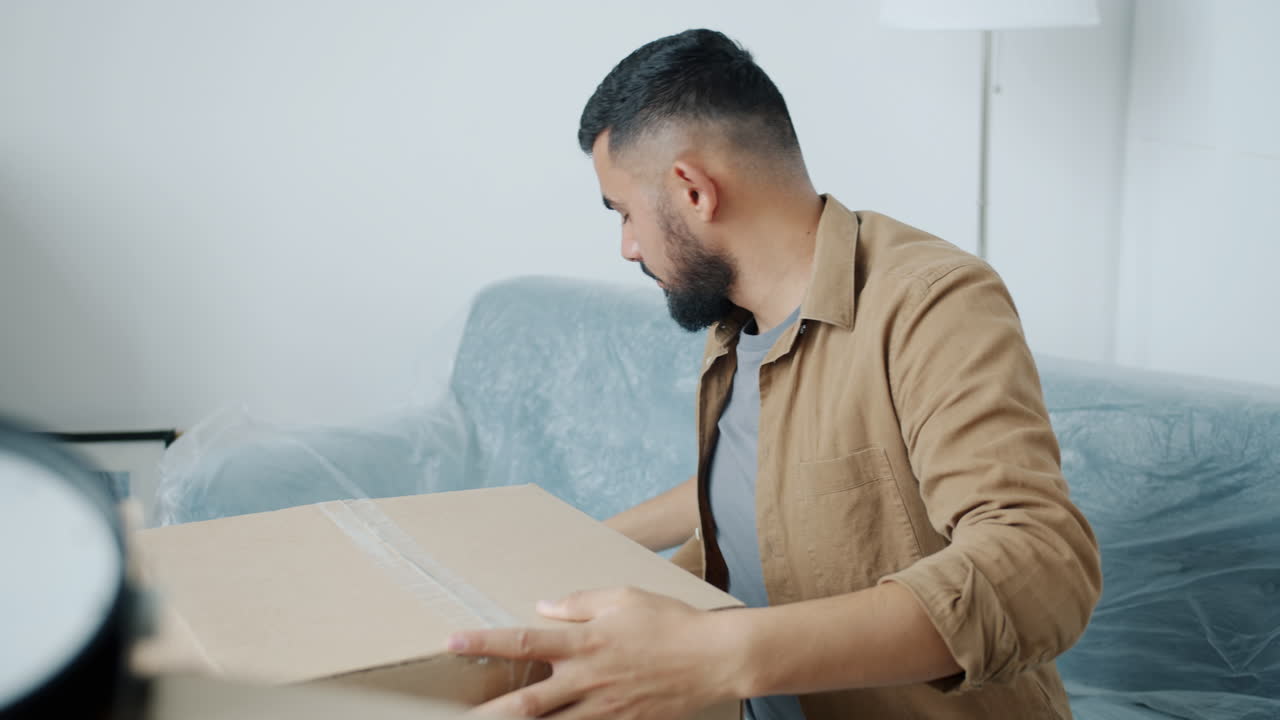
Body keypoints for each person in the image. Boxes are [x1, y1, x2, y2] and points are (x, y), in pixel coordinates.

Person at [448, 28, 1102, 720]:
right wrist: (585, 546)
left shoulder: (931, 302)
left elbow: (1040, 566)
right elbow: (778, 481)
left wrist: (714, 655)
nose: (628, 247)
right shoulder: (735, 321)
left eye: (627, 214)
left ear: (693, 191)